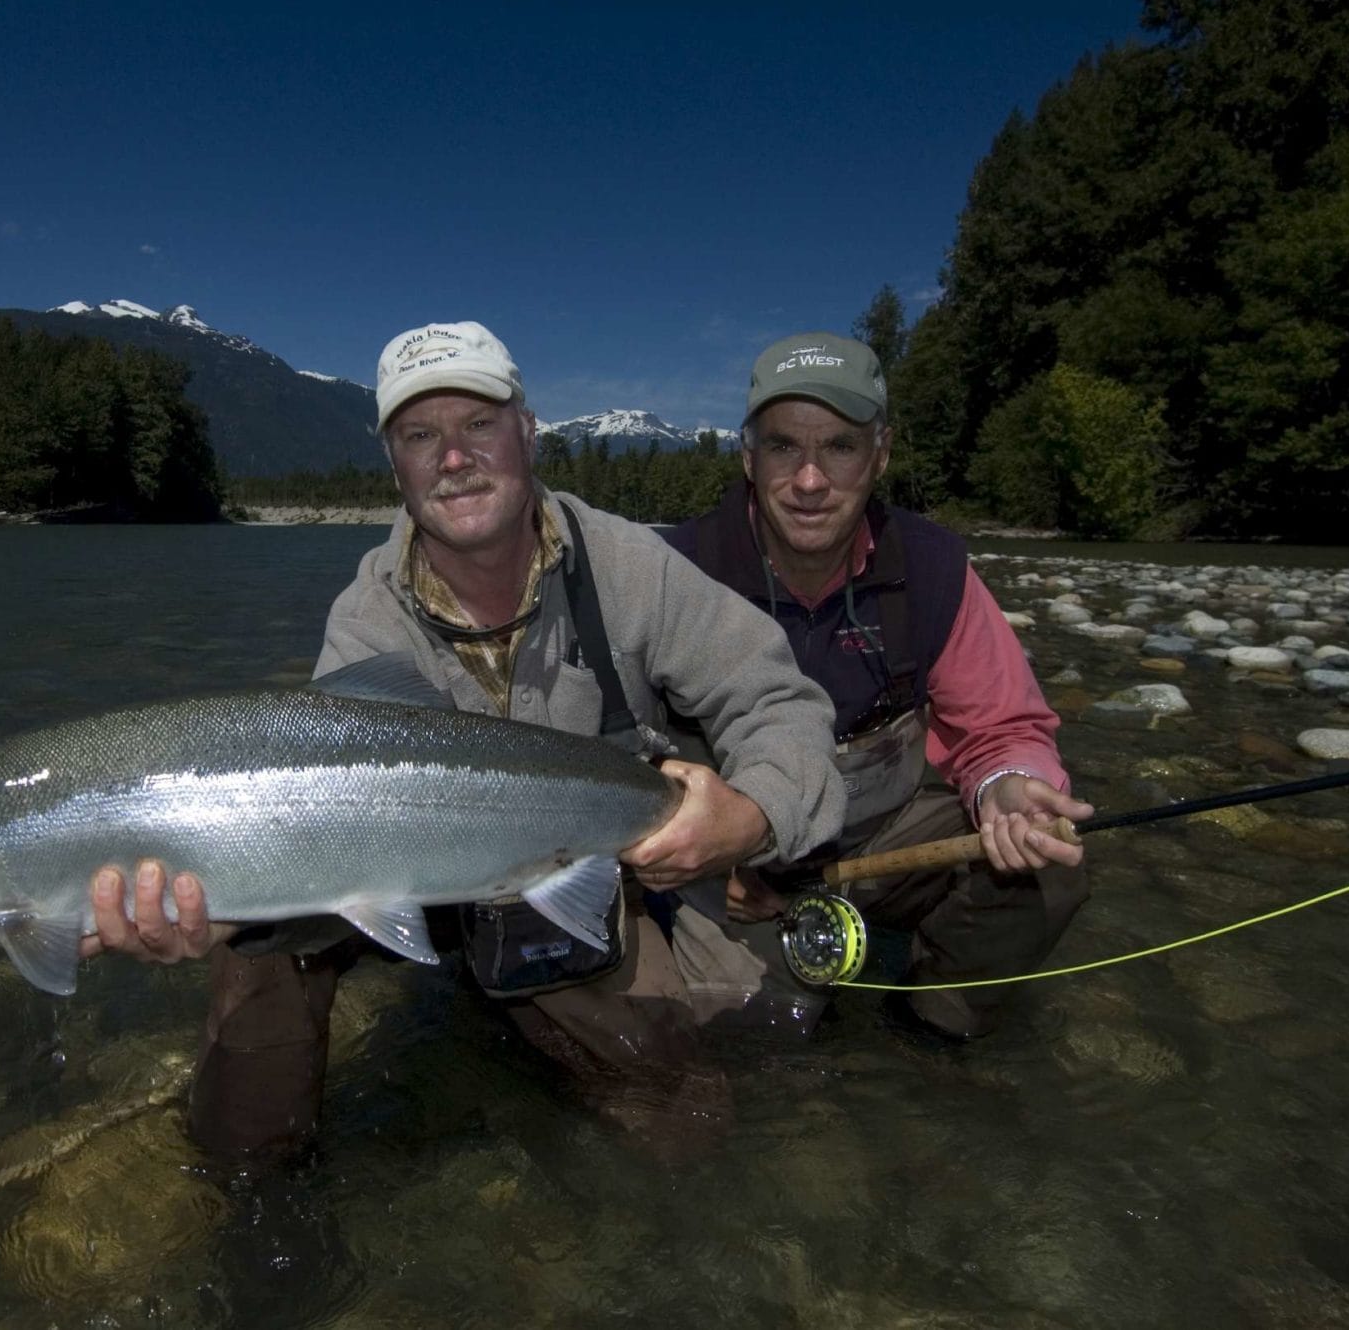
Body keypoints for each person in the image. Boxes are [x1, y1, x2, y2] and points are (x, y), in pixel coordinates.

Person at [82, 320, 848, 1155]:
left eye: (478, 425)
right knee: (260, 955)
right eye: (421, 435)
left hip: (575, 871)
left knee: (683, 1122)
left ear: (527, 431)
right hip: (408, 867)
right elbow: (305, 830)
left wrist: (752, 816)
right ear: (396, 464)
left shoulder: (631, 567)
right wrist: (216, 906)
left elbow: (780, 702)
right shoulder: (366, 620)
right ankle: (249, 1185)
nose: (453, 457)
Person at [665, 330, 1094, 1041]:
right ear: (748, 456)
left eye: (839, 447)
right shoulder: (677, 572)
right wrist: (692, 861)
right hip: (733, 863)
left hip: (885, 839)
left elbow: (1002, 729)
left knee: (1047, 859)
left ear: (881, 455)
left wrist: (1010, 789)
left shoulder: (933, 569)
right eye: (783, 447)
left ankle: (929, 1031)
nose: (809, 480)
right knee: (759, 1039)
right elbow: (617, 746)